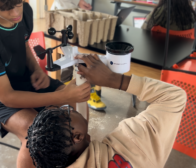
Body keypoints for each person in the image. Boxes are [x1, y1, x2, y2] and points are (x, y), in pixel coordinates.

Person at [0, 0, 91, 167]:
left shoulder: (25, 11)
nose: (16, 13)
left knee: (78, 105)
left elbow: (23, 44)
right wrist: (61, 96)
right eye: (7, 9)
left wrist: (36, 69)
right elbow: (7, 97)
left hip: (24, 75)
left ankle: (77, 161)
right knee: (34, 131)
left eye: (18, 4)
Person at [26, 54, 187, 168]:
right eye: (66, 111)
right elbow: (174, 96)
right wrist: (113, 79)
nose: (67, 107)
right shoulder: (133, 142)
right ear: (77, 136)